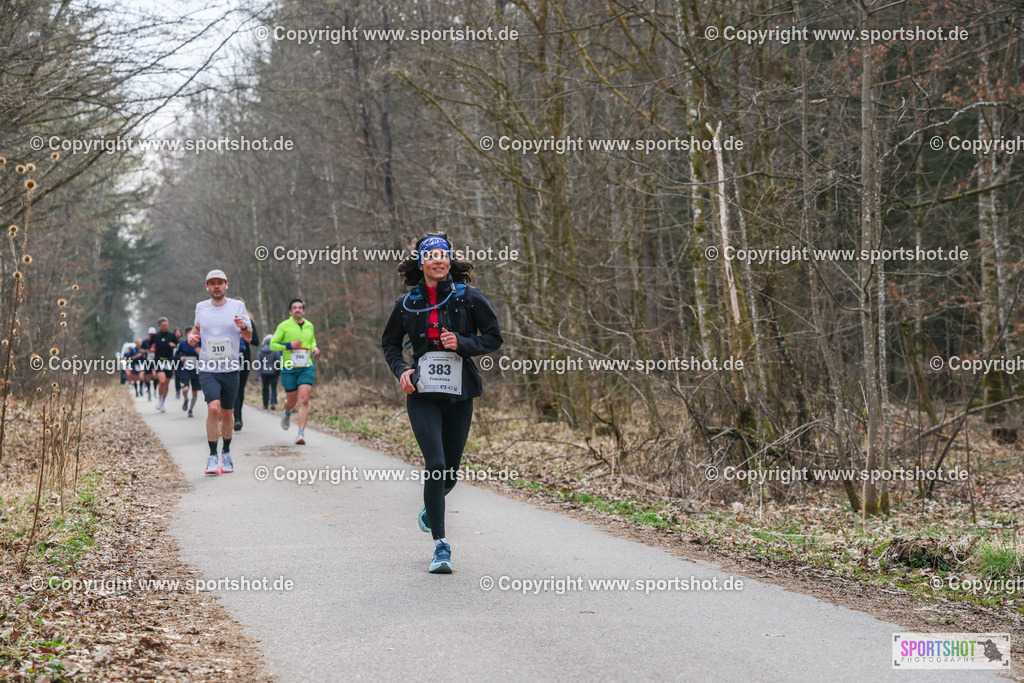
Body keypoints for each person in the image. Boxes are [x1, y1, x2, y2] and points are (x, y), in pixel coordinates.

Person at [381, 233, 502, 574]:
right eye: (431, 255)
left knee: (449, 473)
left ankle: (430, 505)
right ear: (421, 263)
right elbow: (390, 345)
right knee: (435, 464)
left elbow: (493, 337)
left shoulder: (469, 298)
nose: (438, 260)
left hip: (459, 394)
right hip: (422, 396)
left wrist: (461, 342)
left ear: (449, 260)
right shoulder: (406, 304)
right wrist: (402, 370)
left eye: (443, 254)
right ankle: (440, 545)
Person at [188, 269, 252, 475]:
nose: (216, 286)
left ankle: (226, 452)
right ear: (207, 287)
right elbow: (196, 330)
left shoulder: (238, 306)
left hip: (231, 368)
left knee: (227, 412)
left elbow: (249, 337)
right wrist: (192, 336)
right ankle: (212, 456)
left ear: (227, 285)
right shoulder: (201, 307)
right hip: (208, 368)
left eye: (220, 283)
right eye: (212, 283)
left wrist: (244, 327)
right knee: (213, 409)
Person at [270, 299, 319, 444]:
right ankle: (287, 412)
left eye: (300, 307)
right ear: (291, 311)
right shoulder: (284, 326)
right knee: (291, 401)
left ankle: (301, 434)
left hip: (306, 367)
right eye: (294, 308)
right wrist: (288, 345)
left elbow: (312, 342)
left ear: (303, 311)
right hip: (289, 368)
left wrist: (314, 348)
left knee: (303, 400)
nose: (297, 310)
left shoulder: (310, 326)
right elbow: (273, 345)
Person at [233, 298, 258, 431]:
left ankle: (238, 417)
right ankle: (229, 414)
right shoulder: (225, 320)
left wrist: (244, 335)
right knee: (229, 388)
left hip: (244, 358)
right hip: (227, 358)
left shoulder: (249, 322)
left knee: (239, 388)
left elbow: (256, 341)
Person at [151, 317, 178, 413]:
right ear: (159, 326)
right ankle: (159, 400)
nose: (166, 327)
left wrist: (173, 345)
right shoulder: (155, 337)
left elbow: (177, 347)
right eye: (163, 325)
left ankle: (162, 401)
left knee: (166, 384)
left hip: (169, 362)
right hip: (158, 361)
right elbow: (149, 347)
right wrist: (151, 349)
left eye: (167, 325)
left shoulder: (172, 336)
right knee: (161, 381)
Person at [177, 326, 201, 417]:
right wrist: (180, 358)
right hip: (185, 369)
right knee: (185, 389)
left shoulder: (198, 343)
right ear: (187, 334)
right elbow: (176, 355)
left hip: (195, 370)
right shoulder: (182, 344)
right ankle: (186, 399)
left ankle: (191, 409)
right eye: (189, 333)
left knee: (195, 392)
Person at [257, 333, 281, 409]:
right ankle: (273, 402)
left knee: (265, 388)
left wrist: (256, 375)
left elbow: (258, 363)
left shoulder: (261, 350)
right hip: (273, 372)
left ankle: (265, 404)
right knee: (273, 388)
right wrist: (279, 371)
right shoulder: (275, 350)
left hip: (264, 372)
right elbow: (278, 361)